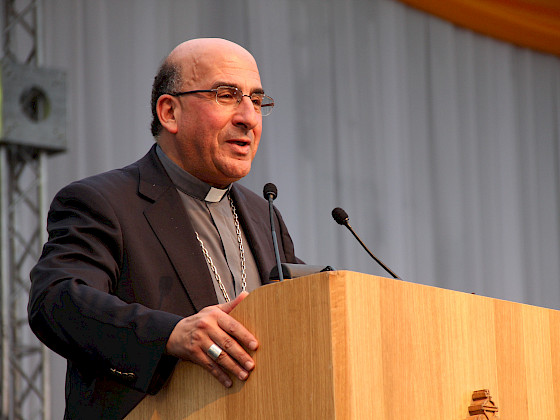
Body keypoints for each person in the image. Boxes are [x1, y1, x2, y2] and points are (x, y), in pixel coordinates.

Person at [28, 38, 301, 419]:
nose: (248, 117)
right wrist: (171, 334)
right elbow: (57, 301)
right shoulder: (102, 201)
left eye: (256, 101)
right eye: (226, 95)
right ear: (170, 112)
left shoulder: (263, 214)